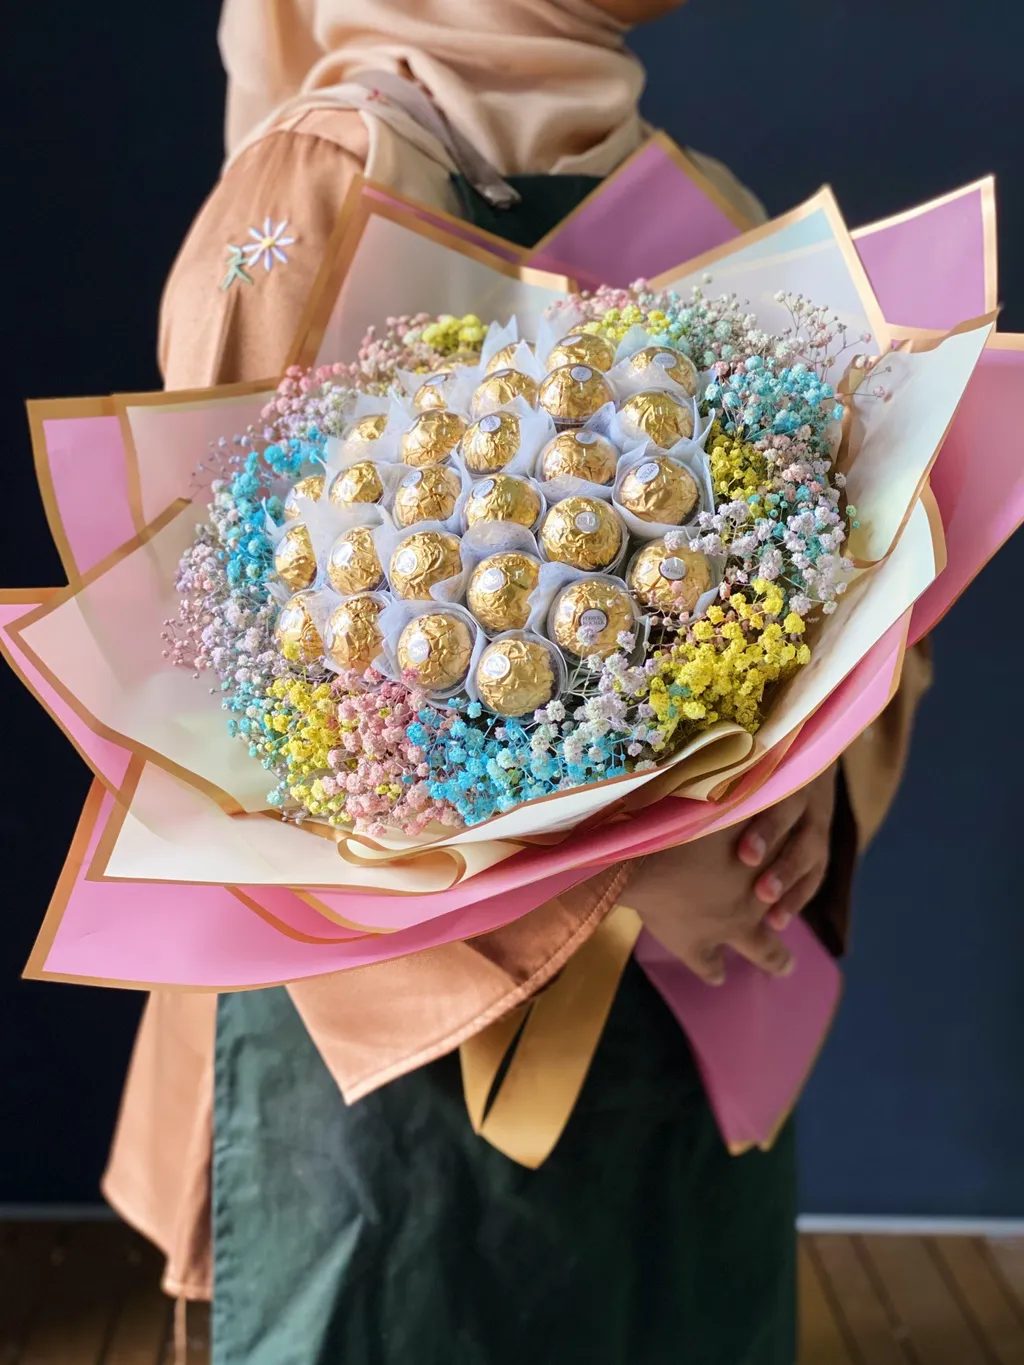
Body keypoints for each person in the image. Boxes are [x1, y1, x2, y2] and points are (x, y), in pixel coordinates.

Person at [102, 3, 932, 1361]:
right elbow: (220, 680)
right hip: (399, 1075)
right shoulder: (313, 187)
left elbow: (856, 593)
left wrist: (805, 780)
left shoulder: (704, 196)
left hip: (677, 1029)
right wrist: (613, 881)